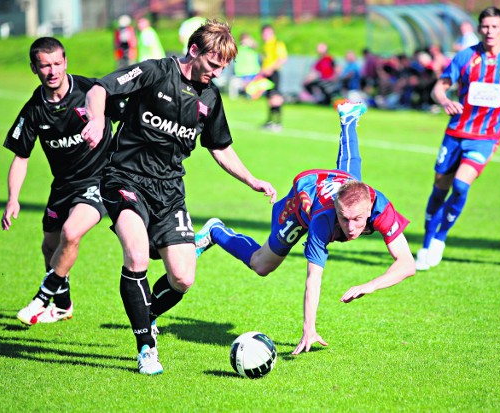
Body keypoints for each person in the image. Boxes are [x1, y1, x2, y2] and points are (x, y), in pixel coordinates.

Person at [81, 20, 277, 375]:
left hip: (169, 191)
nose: (217, 72)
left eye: (223, 67)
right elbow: (99, 89)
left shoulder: (210, 98)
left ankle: (147, 313)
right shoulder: (156, 72)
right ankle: (146, 348)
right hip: (125, 179)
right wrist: (96, 120)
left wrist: (251, 180)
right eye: (214, 64)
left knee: (183, 279)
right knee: (137, 255)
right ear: (194, 51)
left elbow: (221, 147)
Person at [195, 102, 415, 355]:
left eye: (357, 220)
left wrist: (371, 285)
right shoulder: (323, 220)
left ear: (370, 211)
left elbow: (407, 264)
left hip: (337, 187)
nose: (350, 227)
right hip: (300, 208)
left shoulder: (379, 207)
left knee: (351, 174)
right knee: (261, 265)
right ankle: (216, 231)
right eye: (344, 219)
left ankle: (349, 119)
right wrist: (308, 328)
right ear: (336, 208)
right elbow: (314, 277)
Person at [414, 6, 500, 271]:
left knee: (462, 186)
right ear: (479, 29)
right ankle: (427, 243)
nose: (489, 32)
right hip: (455, 133)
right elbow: (439, 88)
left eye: (494, 27)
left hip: (486, 137)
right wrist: (445, 101)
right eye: (485, 27)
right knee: (439, 190)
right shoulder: (466, 57)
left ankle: (440, 239)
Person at [2, 37, 120, 325]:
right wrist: (13, 198)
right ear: (34, 68)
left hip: (100, 179)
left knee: (70, 234)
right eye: (45, 66)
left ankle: (42, 299)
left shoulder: (91, 92)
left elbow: (129, 115)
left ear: (65, 62)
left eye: (57, 64)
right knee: (49, 246)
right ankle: (63, 305)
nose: (53, 71)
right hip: (63, 185)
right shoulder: (34, 108)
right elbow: (21, 156)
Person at [260, 24, 287, 131]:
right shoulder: (265, 45)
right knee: (269, 97)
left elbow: (282, 59)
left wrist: (271, 68)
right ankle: (270, 120)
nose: (265, 35)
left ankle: (277, 122)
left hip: (274, 73)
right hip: (266, 74)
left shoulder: (277, 44)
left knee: (275, 97)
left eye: (267, 33)